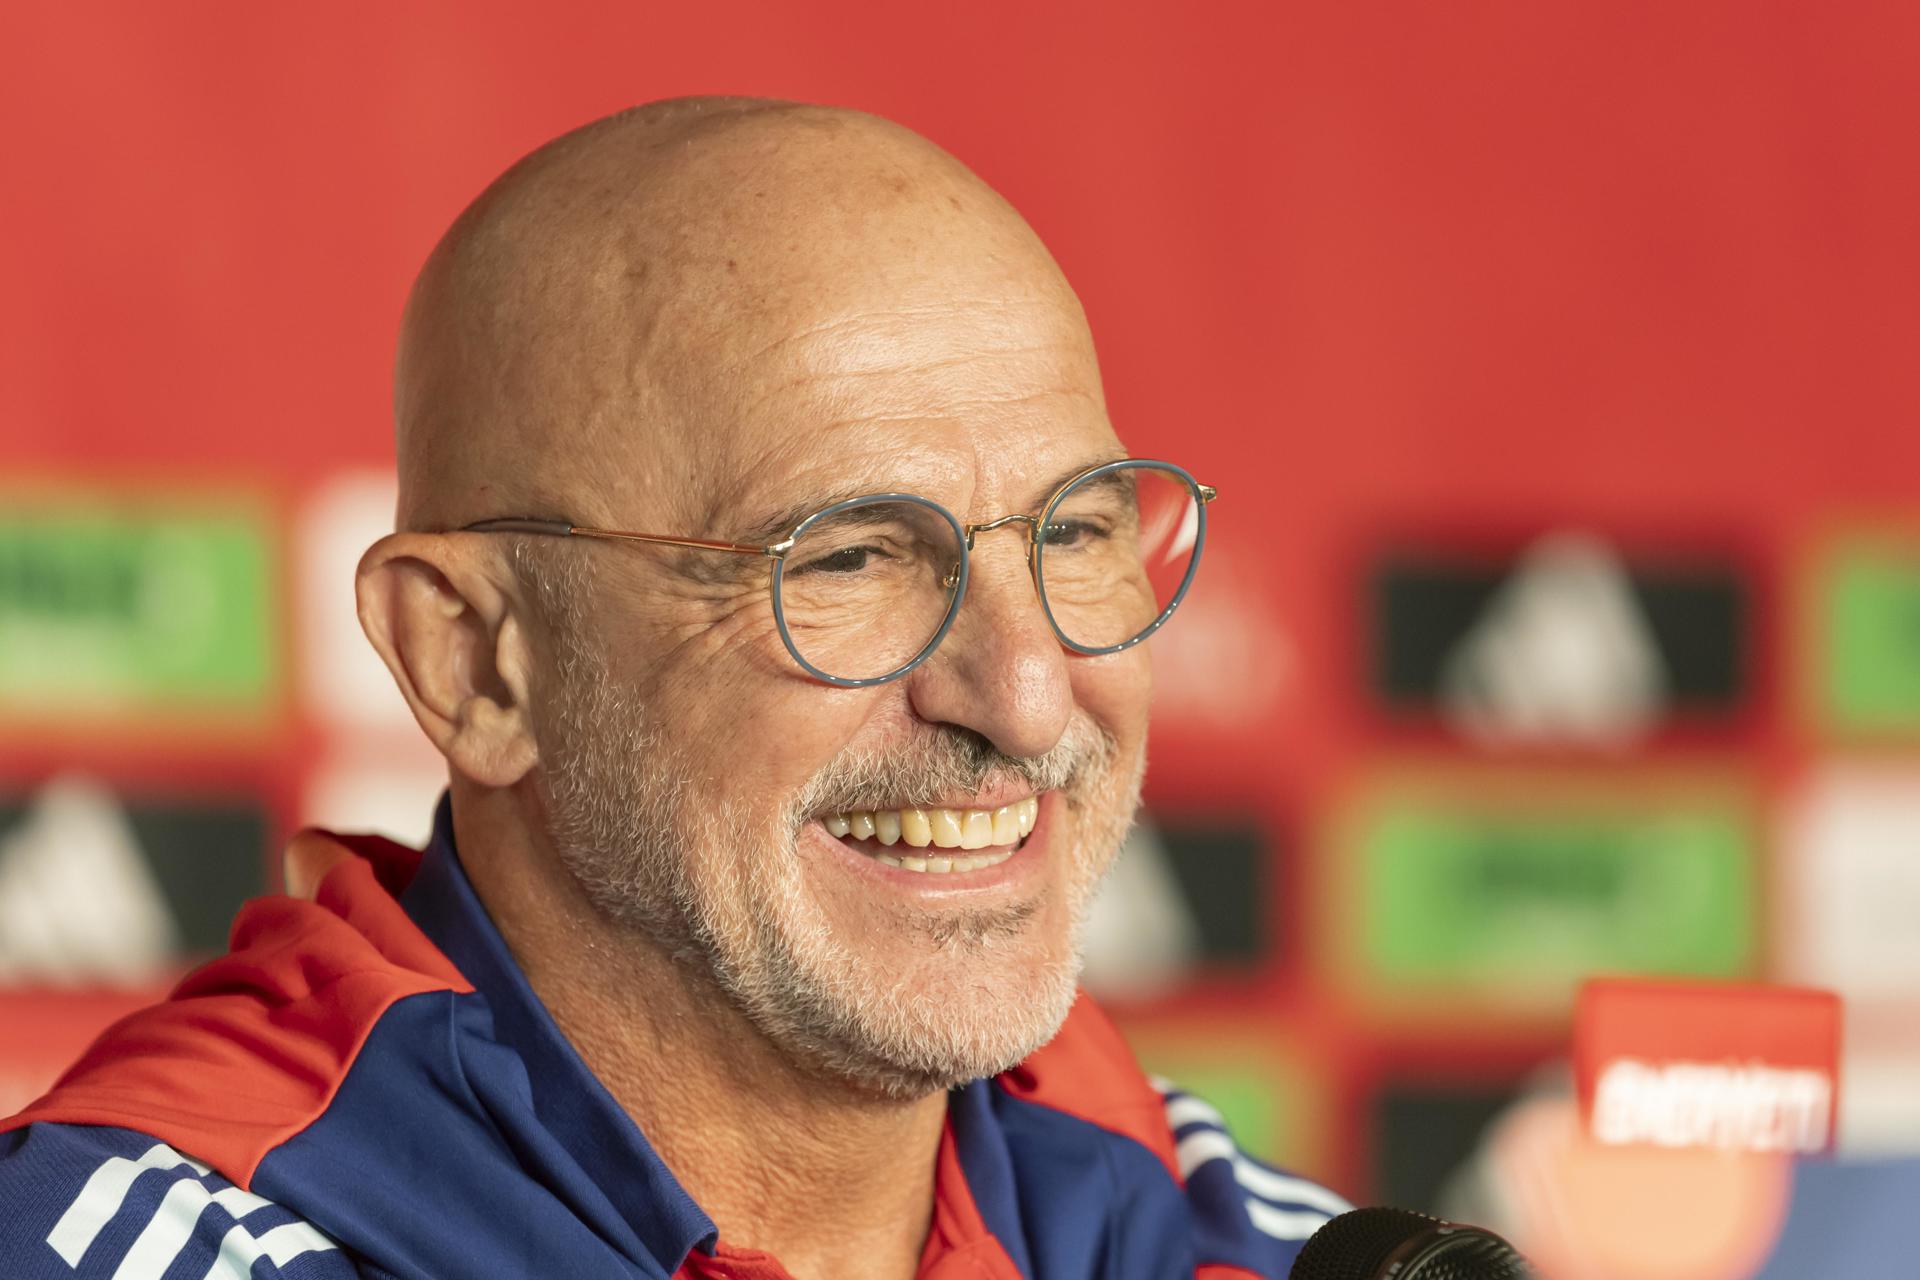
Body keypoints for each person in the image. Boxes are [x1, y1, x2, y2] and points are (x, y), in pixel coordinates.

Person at [0, 97, 1348, 1279]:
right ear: (474, 659)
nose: (1030, 698)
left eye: (1076, 530)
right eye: (853, 555)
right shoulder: (159, 1236)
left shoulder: (1242, 1240)